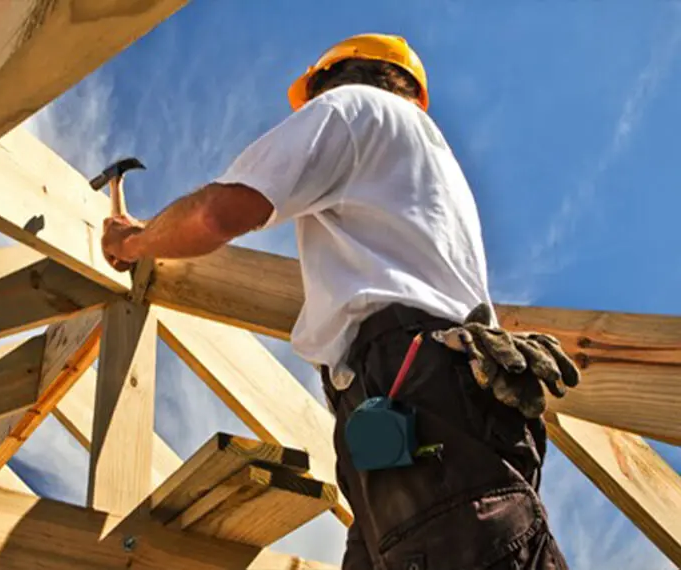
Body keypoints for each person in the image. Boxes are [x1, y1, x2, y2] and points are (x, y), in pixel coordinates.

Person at [101, 33, 577, 569]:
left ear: (333, 78)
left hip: (410, 394)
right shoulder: (427, 163)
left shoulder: (353, 108)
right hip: (429, 412)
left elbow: (216, 214)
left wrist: (134, 240)